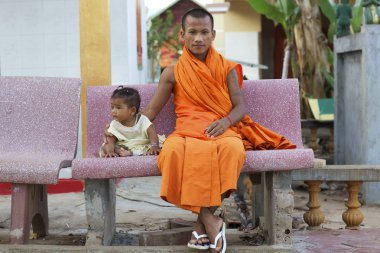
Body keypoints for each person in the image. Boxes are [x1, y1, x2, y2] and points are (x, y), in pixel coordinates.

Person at [111, 8, 295, 253]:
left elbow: (240, 106)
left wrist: (227, 121)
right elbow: (151, 112)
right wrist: (116, 134)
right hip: (186, 131)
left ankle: (201, 224)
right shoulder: (172, 72)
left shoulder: (226, 68)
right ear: (182, 36)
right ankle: (210, 220)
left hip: (220, 129)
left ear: (213, 35)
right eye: (192, 32)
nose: (198, 38)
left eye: (204, 32)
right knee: (172, 153)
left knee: (233, 149)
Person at [100, 86, 161, 157]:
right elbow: (110, 140)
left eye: (118, 108)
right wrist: (110, 151)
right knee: (106, 146)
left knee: (158, 147)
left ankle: (131, 153)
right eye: (112, 107)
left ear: (132, 111)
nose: (113, 111)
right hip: (124, 145)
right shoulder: (114, 124)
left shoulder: (142, 120)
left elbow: (152, 132)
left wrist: (154, 146)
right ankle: (124, 152)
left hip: (141, 144)